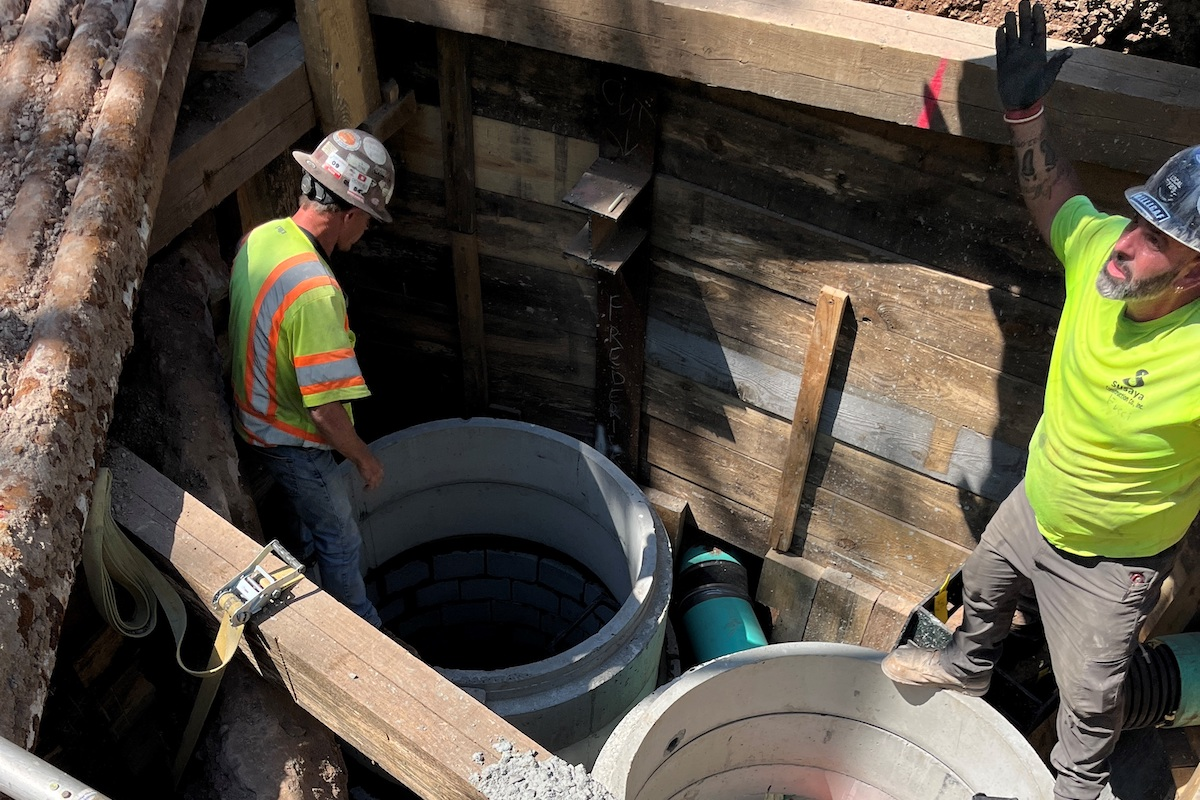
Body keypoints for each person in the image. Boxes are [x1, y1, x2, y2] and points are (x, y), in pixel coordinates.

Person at [881, 3, 1200, 799]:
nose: (1124, 242)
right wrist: (1024, 114)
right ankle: (964, 668)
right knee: (982, 584)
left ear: (1195, 276)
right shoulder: (1098, 252)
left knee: (1090, 708)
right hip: (1036, 502)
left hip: (1112, 565)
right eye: (1138, 218)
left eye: (1155, 240)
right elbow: (1054, 191)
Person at [228, 128, 396, 628]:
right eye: (366, 220)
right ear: (348, 213)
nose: (363, 232)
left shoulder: (261, 237)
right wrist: (365, 459)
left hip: (251, 418)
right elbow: (324, 412)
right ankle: (361, 630)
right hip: (290, 439)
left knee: (304, 527)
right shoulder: (318, 292)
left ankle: (300, 571)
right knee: (340, 538)